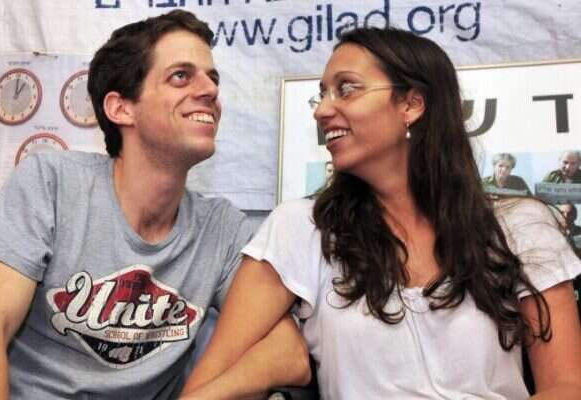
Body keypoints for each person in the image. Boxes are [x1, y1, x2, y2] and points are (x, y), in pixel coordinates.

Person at [184, 27, 581, 399]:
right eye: (322, 95)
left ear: (411, 104)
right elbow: (208, 383)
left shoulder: (521, 226)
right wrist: (277, 363)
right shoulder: (301, 229)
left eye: (346, 89)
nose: (322, 110)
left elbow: (566, 387)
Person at [0, 10, 309, 400]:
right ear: (121, 108)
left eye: (213, 78)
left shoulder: (221, 229)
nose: (209, 90)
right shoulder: (51, 183)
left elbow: (290, 356)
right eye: (181, 76)